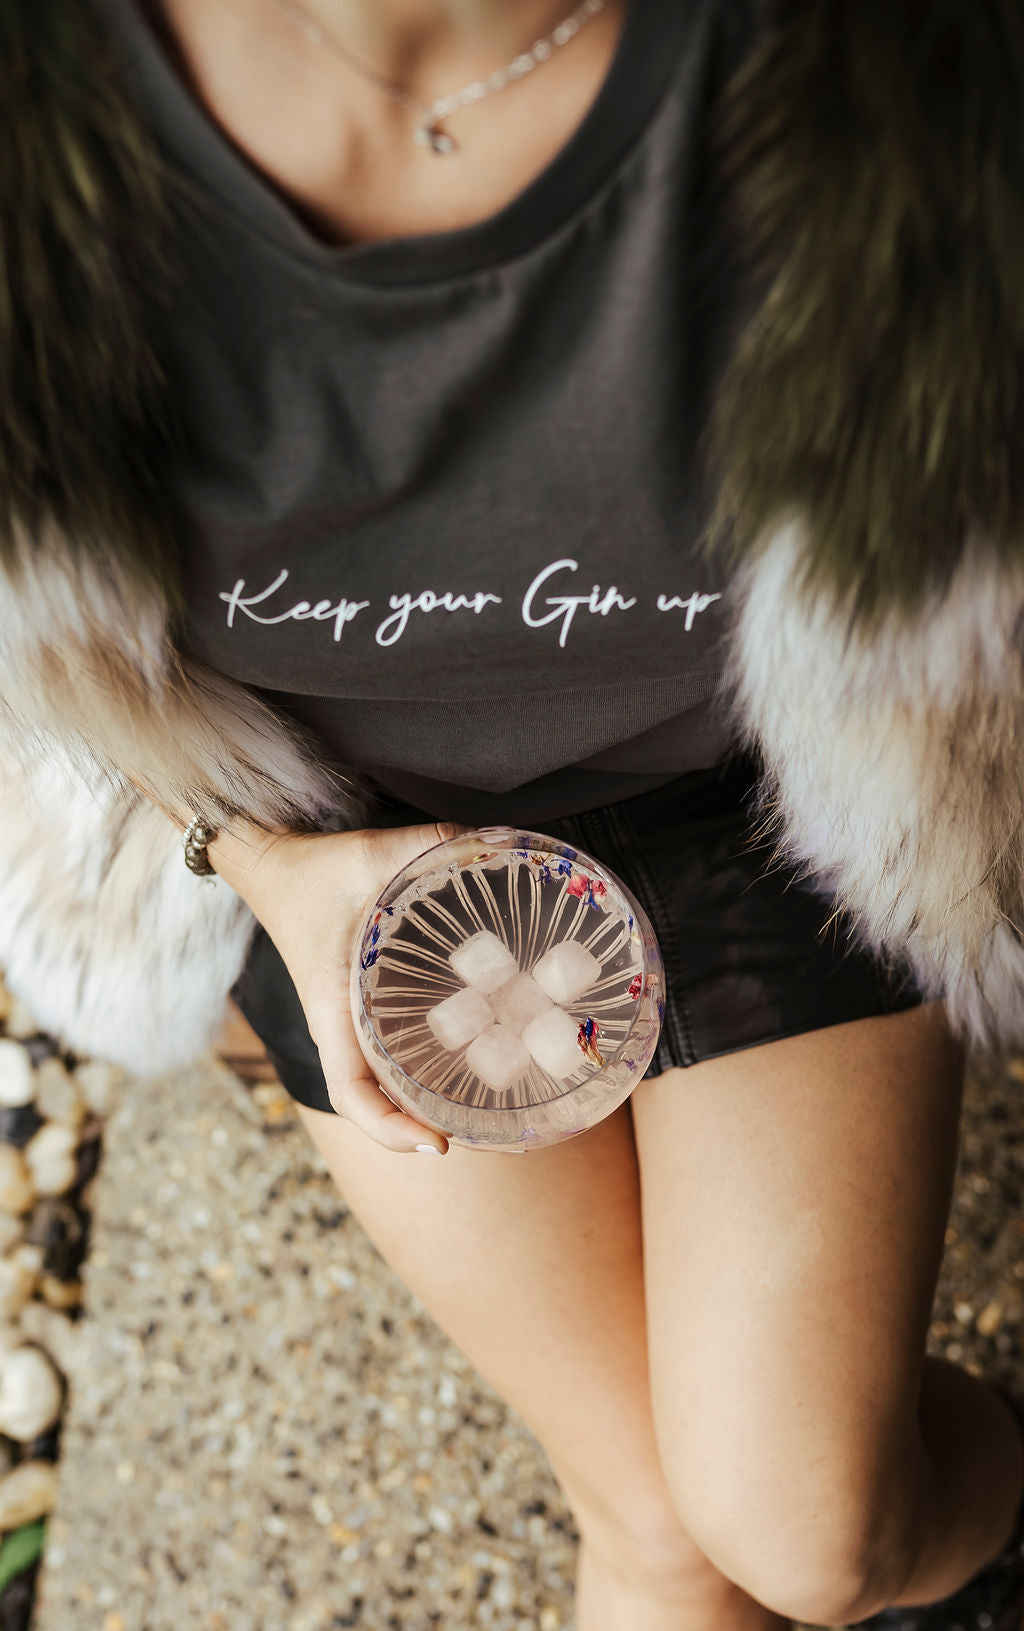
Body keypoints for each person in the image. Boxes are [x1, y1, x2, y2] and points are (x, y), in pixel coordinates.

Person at [4, 0, 1024, 1626]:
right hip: (343, 852)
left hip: (780, 807)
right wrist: (251, 858)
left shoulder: (898, 77)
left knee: (817, 1536)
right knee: (663, 1531)